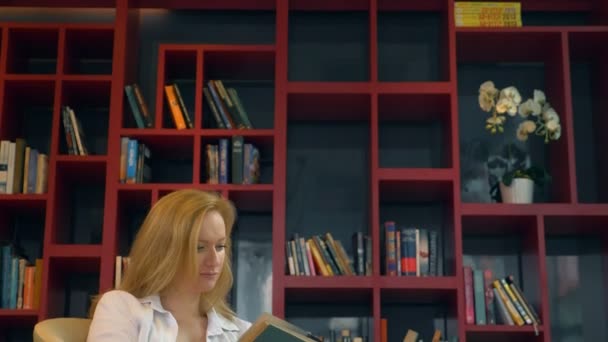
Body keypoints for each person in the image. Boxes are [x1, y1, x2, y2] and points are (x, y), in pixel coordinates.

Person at [87, 189, 251, 341]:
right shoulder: (122, 308)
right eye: (199, 247)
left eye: (220, 246)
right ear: (165, 250)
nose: (214, 260)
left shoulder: (243, 333)